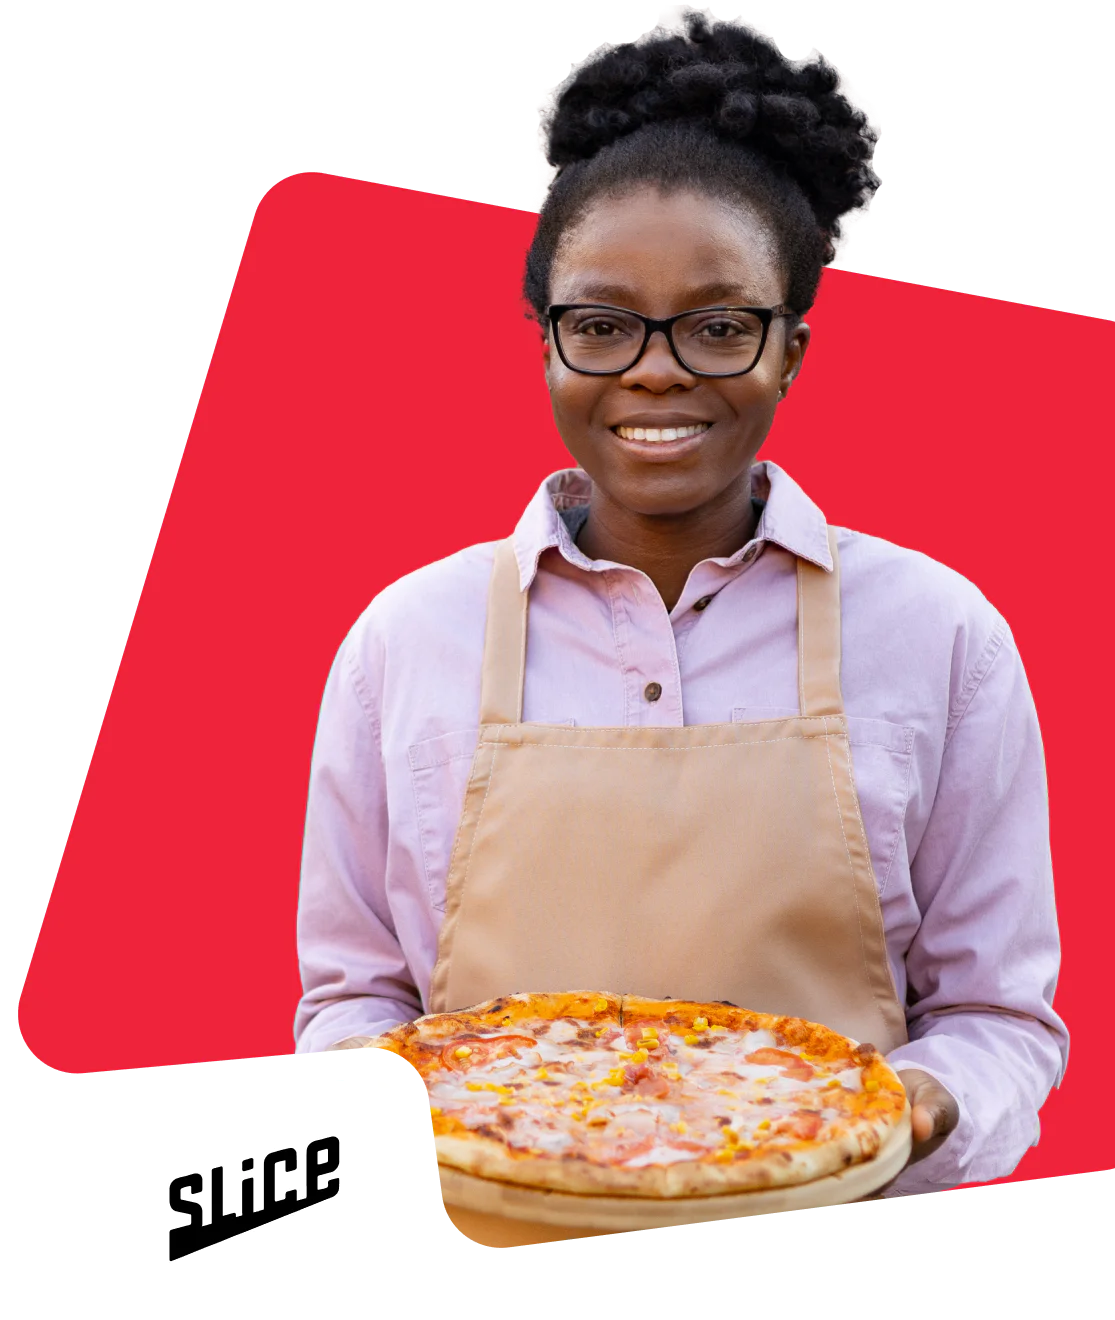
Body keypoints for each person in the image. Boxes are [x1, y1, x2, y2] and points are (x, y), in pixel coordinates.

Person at [293, 8, 1068, 1198]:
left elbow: (996, 1016)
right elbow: (355, 1003)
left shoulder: (940, 634)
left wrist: (919, 1102)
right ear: (546, 346)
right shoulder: (404, 639)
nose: (655, 369)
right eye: (600, 326)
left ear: (791, 351)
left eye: (718, 327)